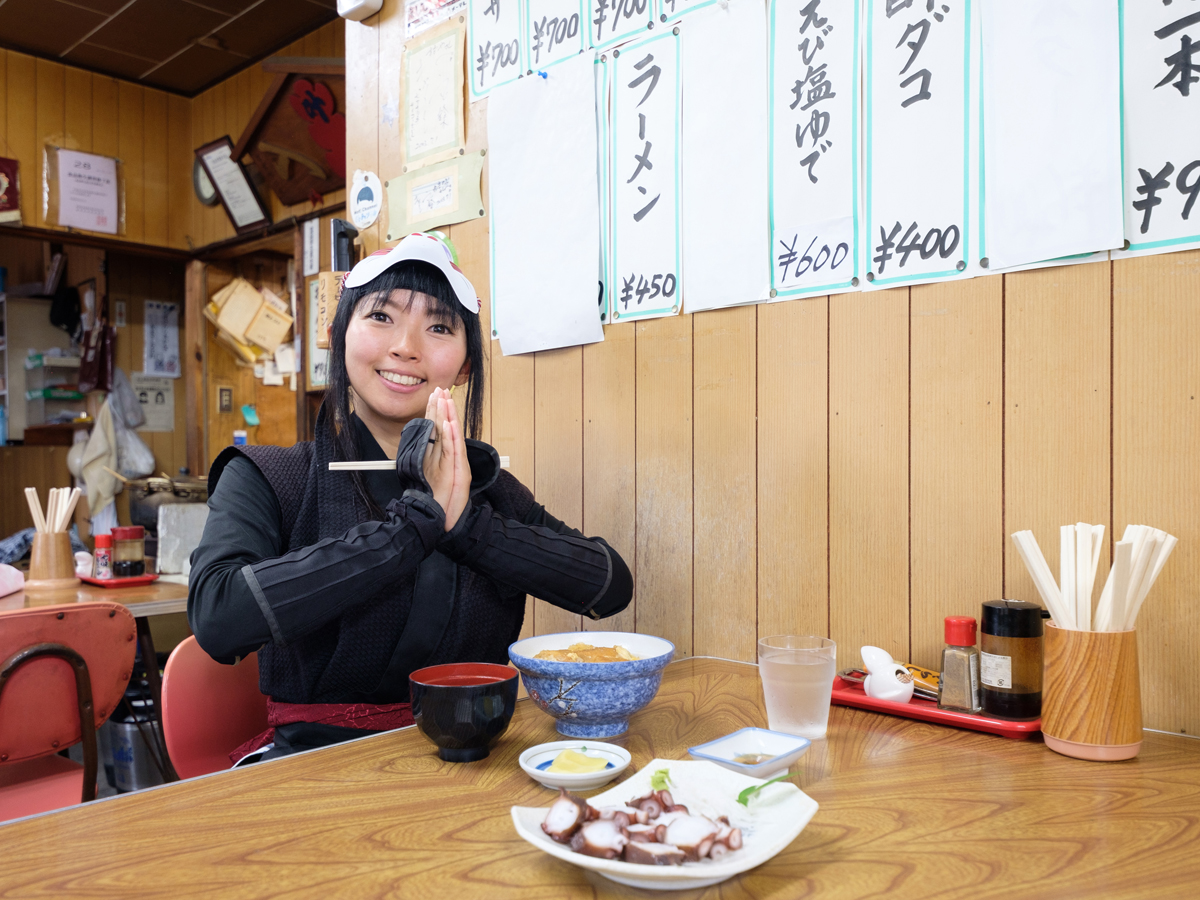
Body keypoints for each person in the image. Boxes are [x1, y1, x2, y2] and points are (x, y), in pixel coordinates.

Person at [188, 232, 632, 762]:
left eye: (439, 326)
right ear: (337, 334)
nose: (406, 345)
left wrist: (469, 526)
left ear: (465, 366)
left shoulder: (489, 489)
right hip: (316, 771)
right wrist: (411, 528)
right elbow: (217, 619)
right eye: (381, 317)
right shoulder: (270, 475)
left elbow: (609, 586)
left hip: (476, 760)